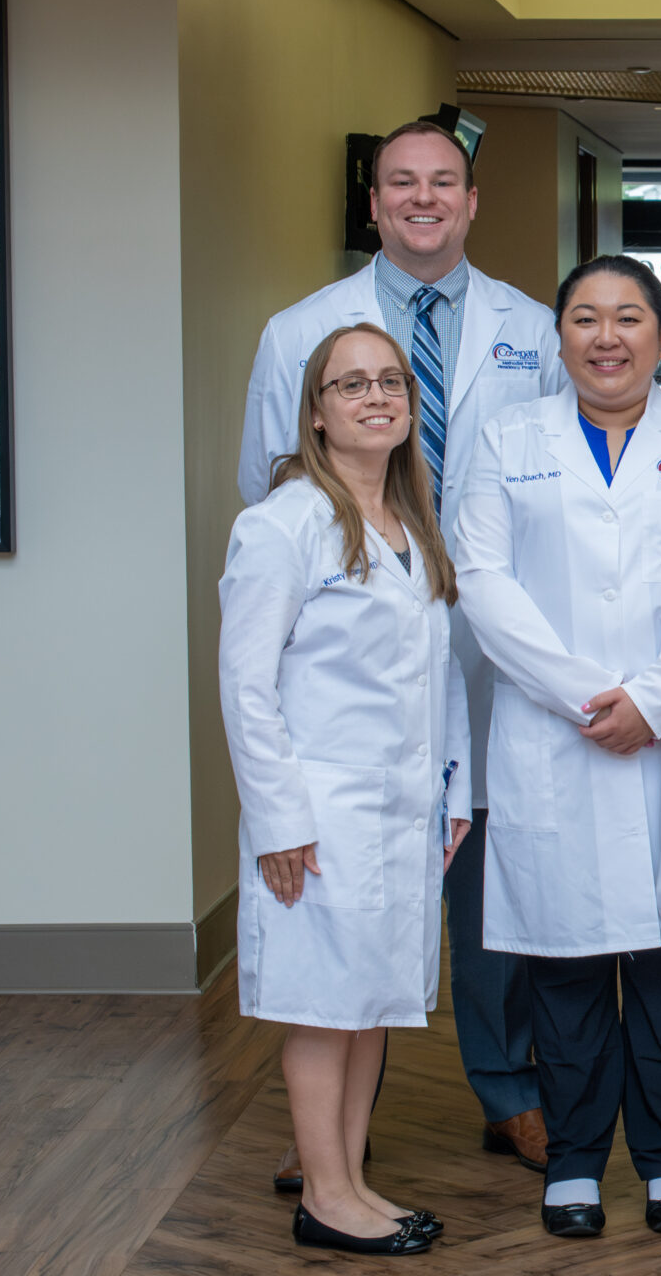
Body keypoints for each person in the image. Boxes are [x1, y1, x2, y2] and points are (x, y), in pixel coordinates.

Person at [239, 120, 564, 1187]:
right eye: (400, 185)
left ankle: (509, 1084)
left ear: (472, 202)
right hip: (360, 638)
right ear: (371, 205)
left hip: (493, 636)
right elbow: (272, 486)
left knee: (483, 872)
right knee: (345, 884)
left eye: (444, 183)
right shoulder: (303, 328)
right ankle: (336, 1131)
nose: (423, 199)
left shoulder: (530, 325)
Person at [450, 255, 661, 1238]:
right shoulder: (511, 438)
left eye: (629, 316)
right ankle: (578, 1159)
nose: (607, 336)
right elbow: (483, 579)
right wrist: (587, 697)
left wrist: (655, 699)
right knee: (567, 966)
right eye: (585, 317)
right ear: (558, 338)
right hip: (560, 735)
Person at [218, 324, 469, 1255]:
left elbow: (441, 680)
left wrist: (454, 793)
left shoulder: (410, 522)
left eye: (390, 382)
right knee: (325, 1007)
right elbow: (245, 686)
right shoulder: (283, 524)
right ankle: (325, 1196)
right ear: (316, 414)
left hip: (400, 809)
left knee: (369, 1000)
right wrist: (278, 820)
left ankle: (354, 1181)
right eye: (349, 384)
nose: (375, 397)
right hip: (318, 814)